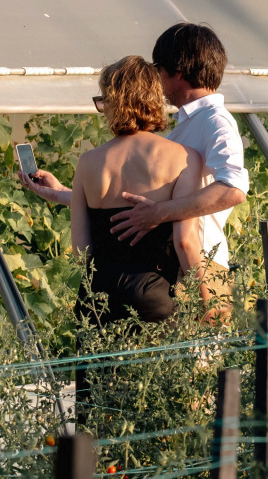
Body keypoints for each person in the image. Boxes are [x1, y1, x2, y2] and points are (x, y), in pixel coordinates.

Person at [20, 22, 247, 299]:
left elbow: (232, 189)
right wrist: (65, 194)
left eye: (159, 69)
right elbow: (136, 203)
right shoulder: (187, 125)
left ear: (179, 71)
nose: (158, 81)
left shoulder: (216, 122)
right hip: (176, 271)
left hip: (201, 269)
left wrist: (160, 213)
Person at [65, 56, 207, 325]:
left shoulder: (88, 163)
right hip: (154, 296)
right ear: (154, 98)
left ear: (115, 102)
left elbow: (81, 250)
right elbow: (185, 242)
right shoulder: (183, 159)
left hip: (97, 300)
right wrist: (207, 303)